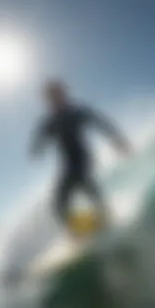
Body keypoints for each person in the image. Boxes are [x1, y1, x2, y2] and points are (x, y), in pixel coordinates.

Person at [30, 79, 131, 226]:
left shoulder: (76, 112)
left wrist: (117, 139)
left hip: (83, 158)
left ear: (63, 94)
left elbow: (100, 122)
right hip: (67, 164)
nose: (54, 99)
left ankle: (107, 217)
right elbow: (41, 138)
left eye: (57, 94)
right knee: (58, 203)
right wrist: (37, 149)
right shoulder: (50, 121)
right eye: (50, 97)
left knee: (85, 183)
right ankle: (79, 230)